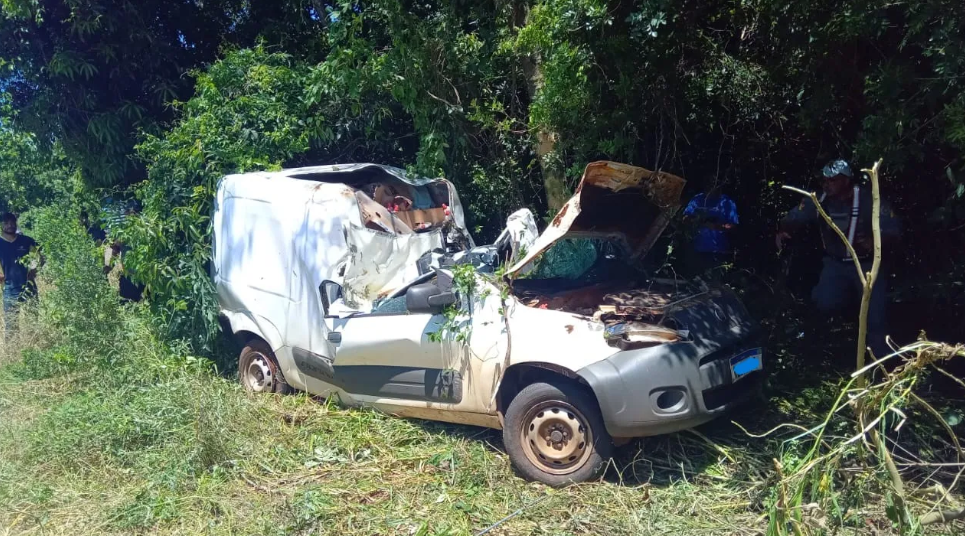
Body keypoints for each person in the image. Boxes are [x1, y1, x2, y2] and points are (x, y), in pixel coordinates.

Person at [777, 159, 900, 359]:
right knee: (823, 303)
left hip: (867, 265)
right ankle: (817, 352)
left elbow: (894, 227)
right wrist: (783, 230)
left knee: (875, 315)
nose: (826, 184)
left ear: (846, 180)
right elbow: (794, 217)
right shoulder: (820, 199)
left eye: (832, 180)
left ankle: (881, 361)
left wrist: (875, 240)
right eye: (824, 180)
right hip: (835, 264)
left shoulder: (869, 199)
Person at [682, 186, 739, 276]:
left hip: (719, 250)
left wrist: (715, 226)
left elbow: (733, 225)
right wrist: (698, 221)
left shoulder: (727, 202)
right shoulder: (698, 199)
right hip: (697, 249)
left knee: (714, 281)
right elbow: (685, 218)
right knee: (695, 280)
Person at [0, 213, 39, 330]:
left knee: (33, 323)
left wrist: (34, 267)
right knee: (11, 326)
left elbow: (41, 252)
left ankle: (33, 347)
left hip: (29, 286)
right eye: (6, 223)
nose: (10, 225)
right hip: (9, 288)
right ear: (1, 225)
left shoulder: (26, 240)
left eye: (12, 222)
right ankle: (13, 348)